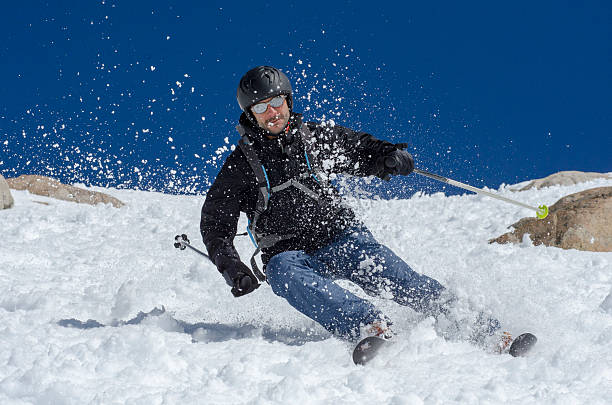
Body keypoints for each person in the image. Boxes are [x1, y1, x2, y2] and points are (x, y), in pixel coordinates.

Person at [200, 66, 504, 346]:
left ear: (288, 101)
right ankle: (369, 326)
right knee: (280, 272)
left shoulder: (314, 139)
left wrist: (388, 156)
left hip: (342, 237)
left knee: (402, 279)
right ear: (250, 115)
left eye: (276, 102)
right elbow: (215, 223)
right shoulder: (240, 167)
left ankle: (483, 329)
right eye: (261, 107)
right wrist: (233, 268)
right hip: (290, 255)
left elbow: (358, 148)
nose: (272, 112)